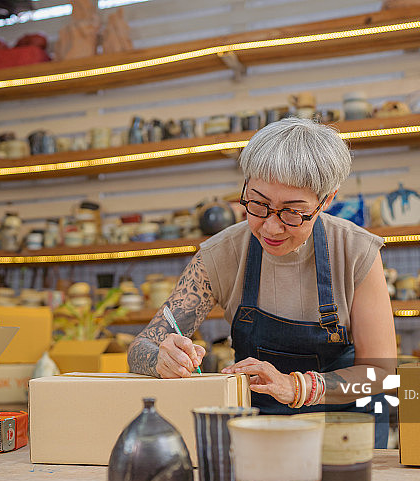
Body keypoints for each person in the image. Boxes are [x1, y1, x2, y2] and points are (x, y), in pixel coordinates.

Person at [127, 117, 397, 448]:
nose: (270, 227)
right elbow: (141, 346)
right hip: (260, 429)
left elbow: (379, 373)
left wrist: (298, 387)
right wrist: (161, 358)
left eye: (292, 212)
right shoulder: (221, 255)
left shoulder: (355, 251)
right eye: (258, 205)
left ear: (327, 201)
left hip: (346, 430)